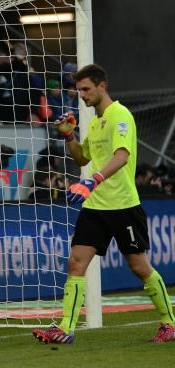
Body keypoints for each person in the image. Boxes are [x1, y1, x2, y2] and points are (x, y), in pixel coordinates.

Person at [32, 64, 175, 344]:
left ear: (102, 86)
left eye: (86, 89)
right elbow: (82, 158)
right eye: (79, 90)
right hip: (96, 206)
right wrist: (69, 136)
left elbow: (122, 156)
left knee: (139, 267)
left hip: (123, 206)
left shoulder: (119, 115)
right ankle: (66, 328)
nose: (81, 95)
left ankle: (169, 322)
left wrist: (91, 181)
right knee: (76, 262)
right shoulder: (95, 122)